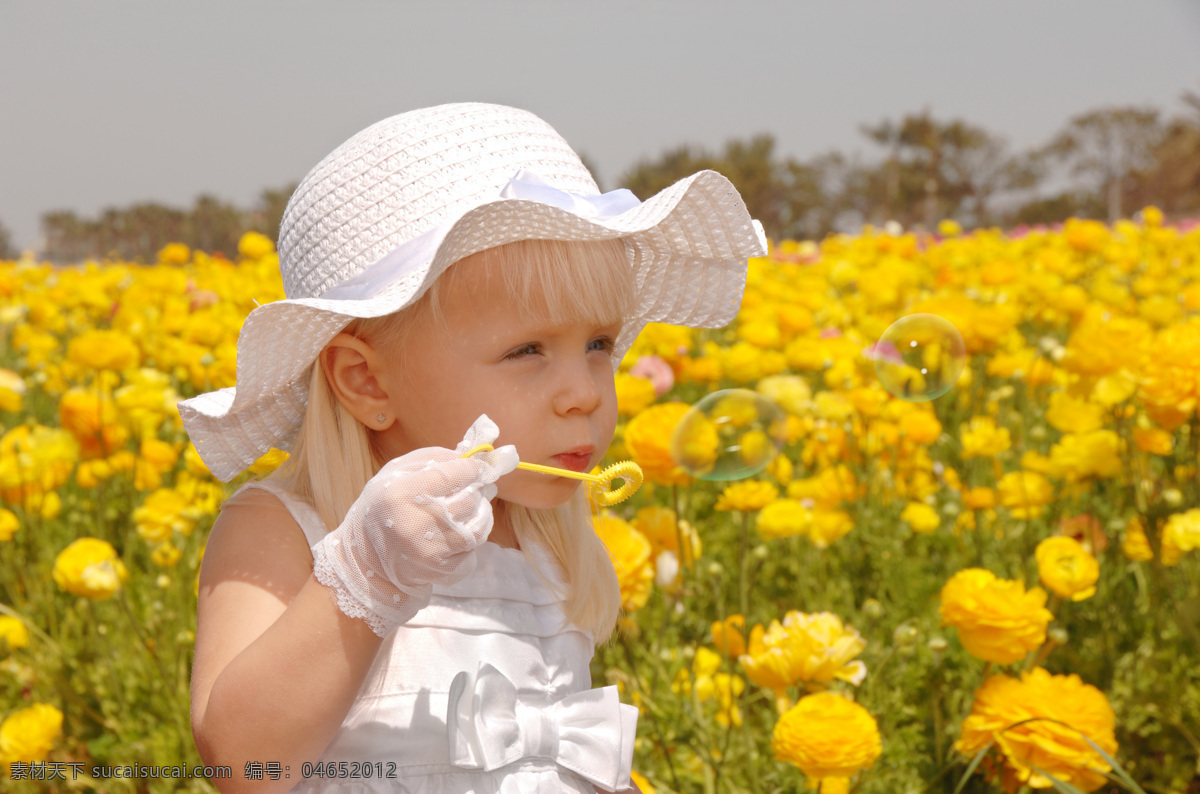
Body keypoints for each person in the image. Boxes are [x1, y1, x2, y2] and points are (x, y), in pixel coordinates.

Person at [180, 102, 765, 793]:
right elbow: (243, 762)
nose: (583, 392)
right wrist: (368, 573)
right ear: (367, 380)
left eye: (598, 344)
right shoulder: (288, 528)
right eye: (527, 351)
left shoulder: (538, 532)